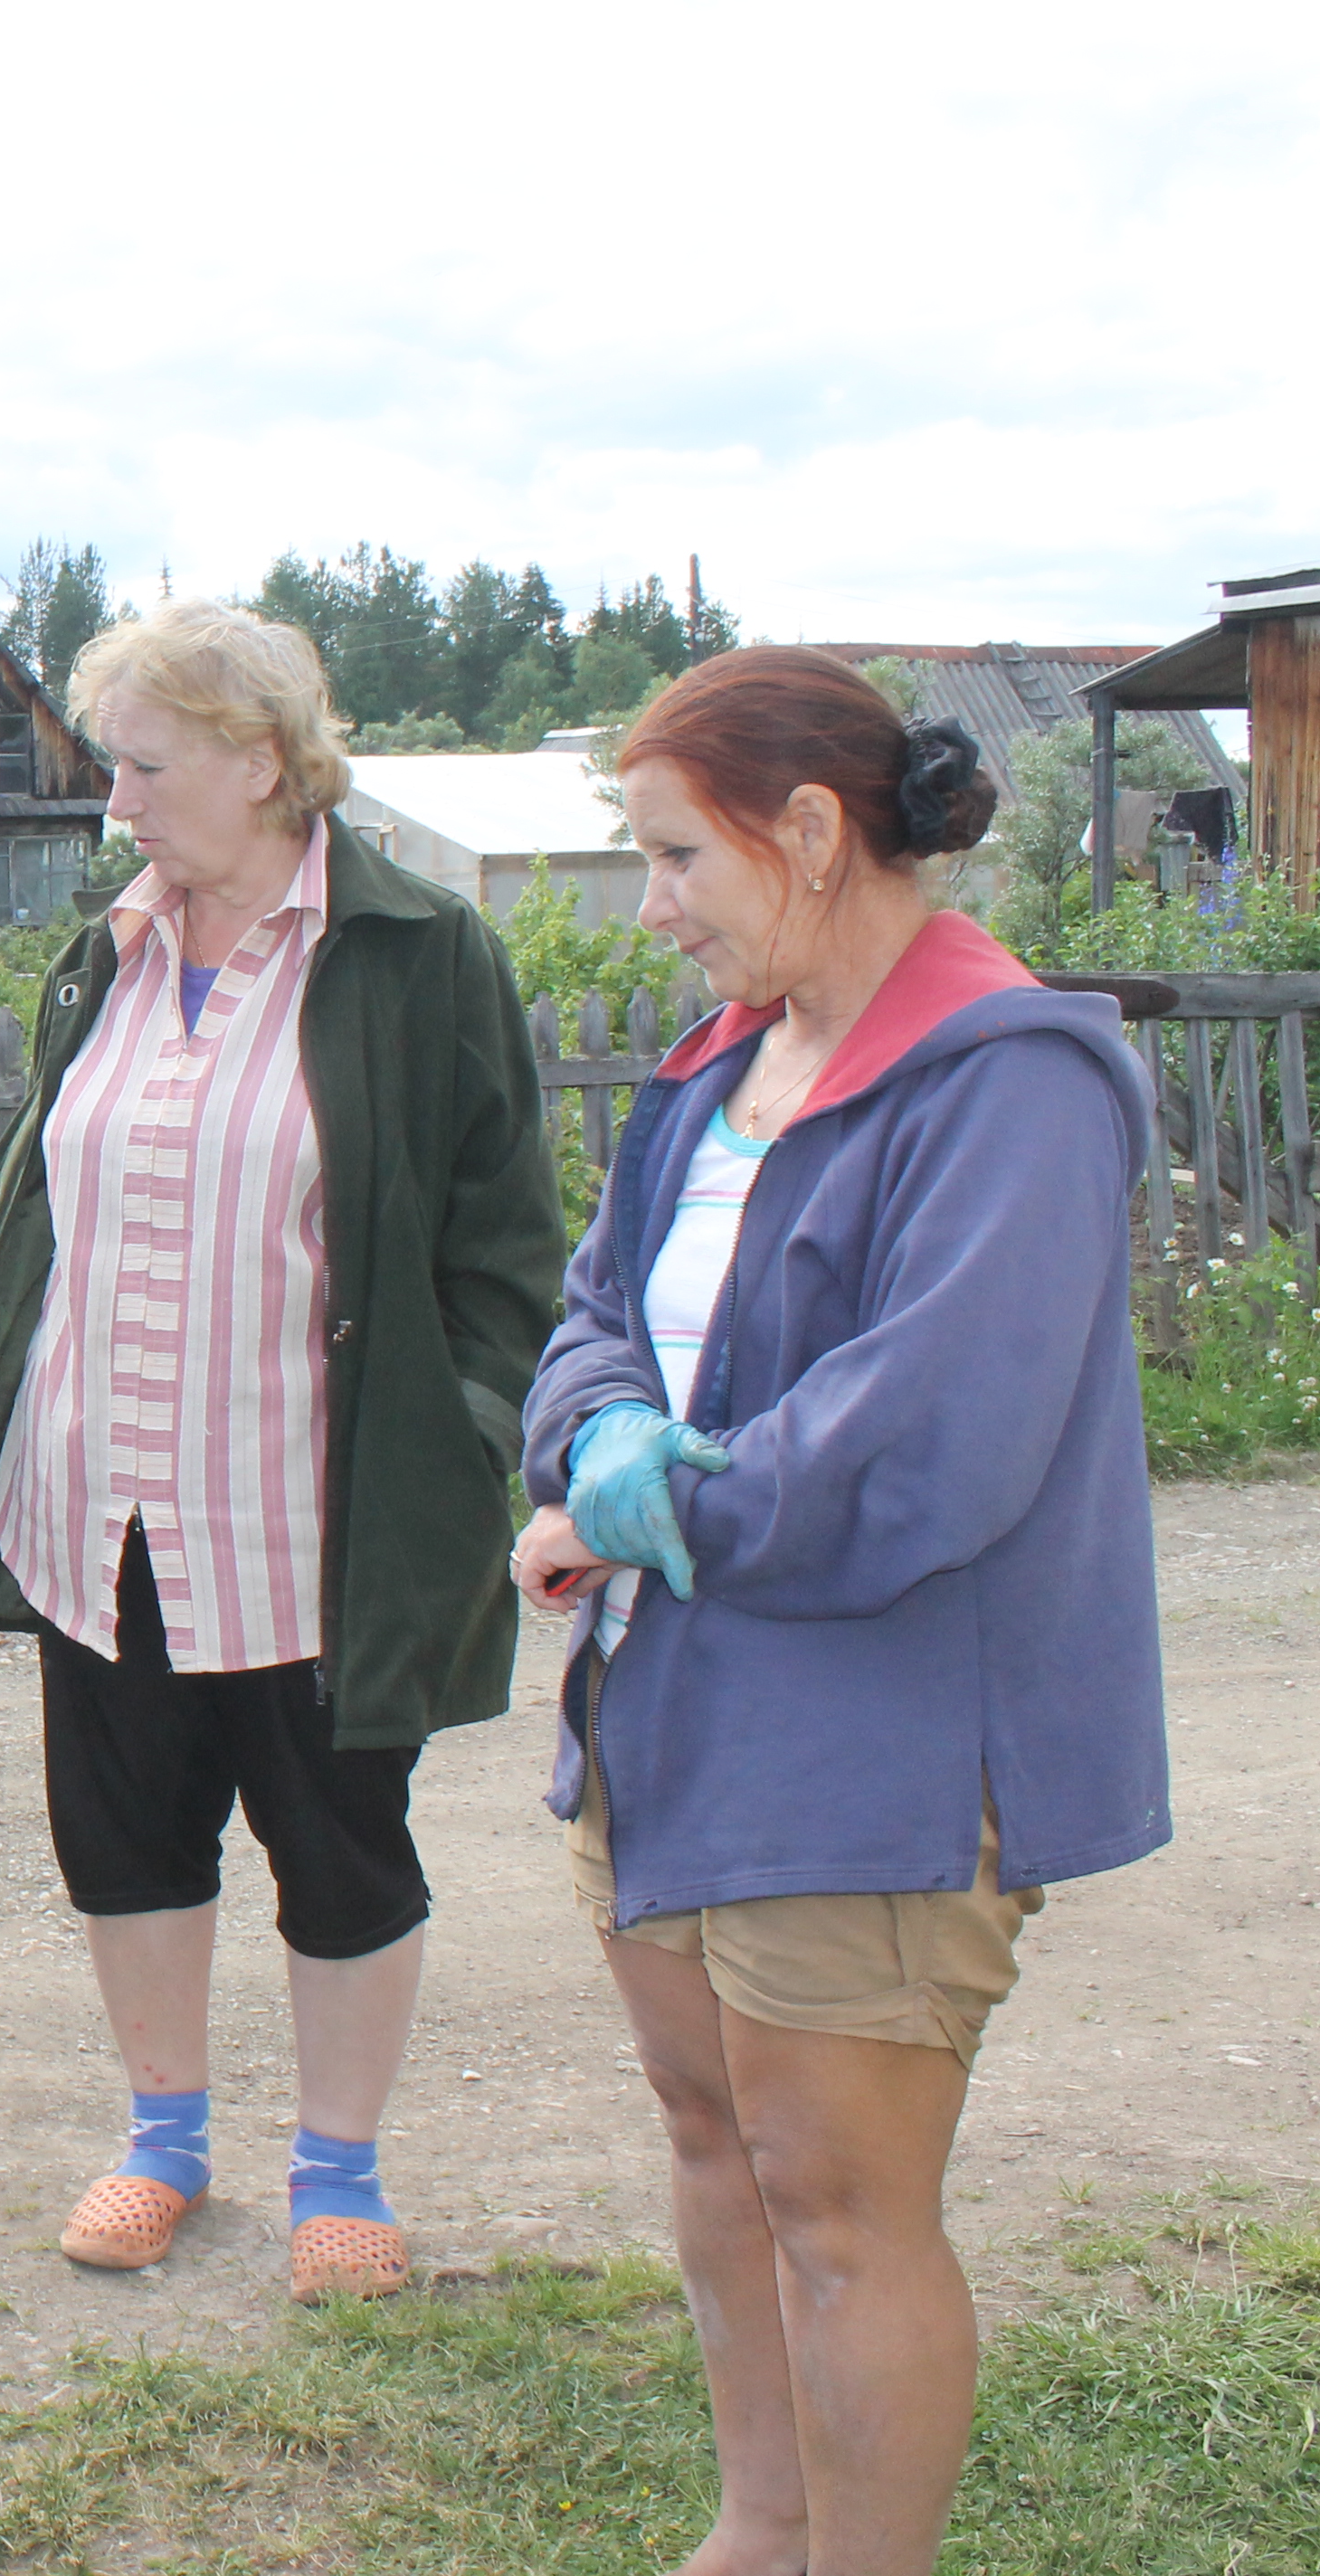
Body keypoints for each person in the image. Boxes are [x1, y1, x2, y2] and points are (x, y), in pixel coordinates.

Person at [0, 601, 563, 2302]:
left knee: (343, 1848)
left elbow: (504, 1249)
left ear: (263, 760)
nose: (114, 806)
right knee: (123, 1839)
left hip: (308, 1520)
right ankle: (163, 2145)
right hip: (99, 1504)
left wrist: (472, 1435)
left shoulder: (417, 955)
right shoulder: (113, 949)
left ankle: (338, 2177)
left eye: (143, 766)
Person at [513, 648, 1167, 2576]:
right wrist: (604, 1433)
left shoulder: (1015, 1079)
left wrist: (647, 1493)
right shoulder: (720, 1065)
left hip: (879, 1739)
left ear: (806, 833)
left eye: (671, 856)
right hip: (671, 1697)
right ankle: (761, 2526)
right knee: (718, 2143)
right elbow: (588, 1314)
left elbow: (929, 1444)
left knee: (843, 2196)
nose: (652, 907)